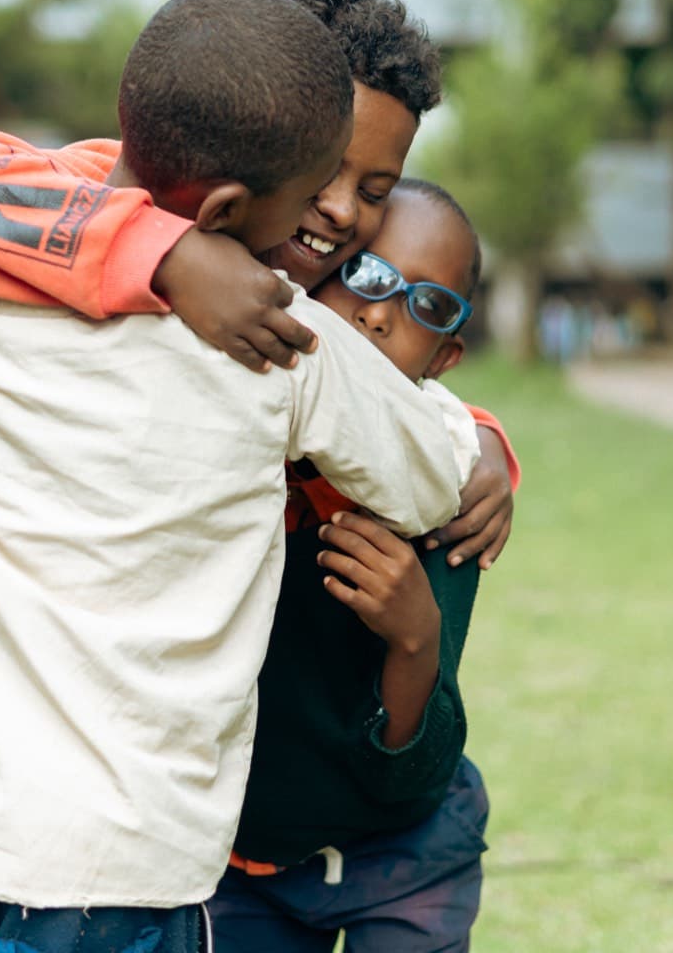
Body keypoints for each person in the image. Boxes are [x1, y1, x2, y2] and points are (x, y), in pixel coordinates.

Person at [0, 0, 483, 953]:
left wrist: (151, 242)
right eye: (317, 183)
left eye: (373, 191)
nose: (337, 215)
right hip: (117, 863)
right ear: (238, 199)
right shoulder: (289, 343)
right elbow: (433, 468)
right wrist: (483, 438)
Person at [213, 178, 496, 952]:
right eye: (366, 274)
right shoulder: (231, 432)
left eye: (426, 304)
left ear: (445, 354)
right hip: (240, 863)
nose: (380, 312)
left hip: (406, 854)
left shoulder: (446, 495)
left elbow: (417, 767)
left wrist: (415, 639)